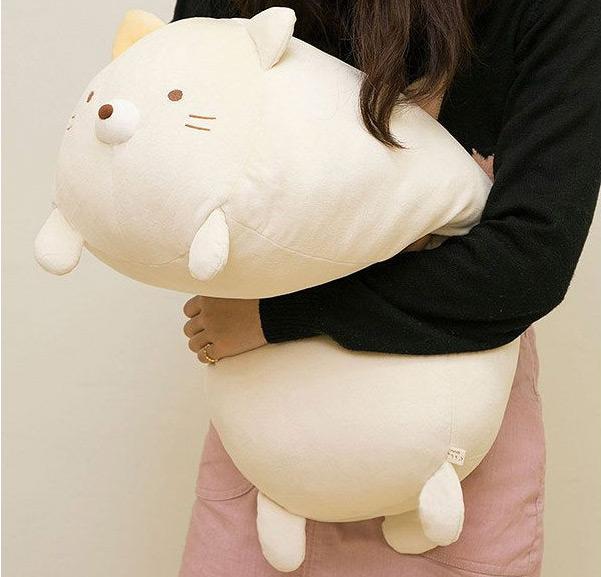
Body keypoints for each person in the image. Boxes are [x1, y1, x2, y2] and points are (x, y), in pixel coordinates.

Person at [175, 1, 601, 576]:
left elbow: (526, 264)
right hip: (274, 425)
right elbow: (179, 174)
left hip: (449, 433)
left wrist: (276, 314)